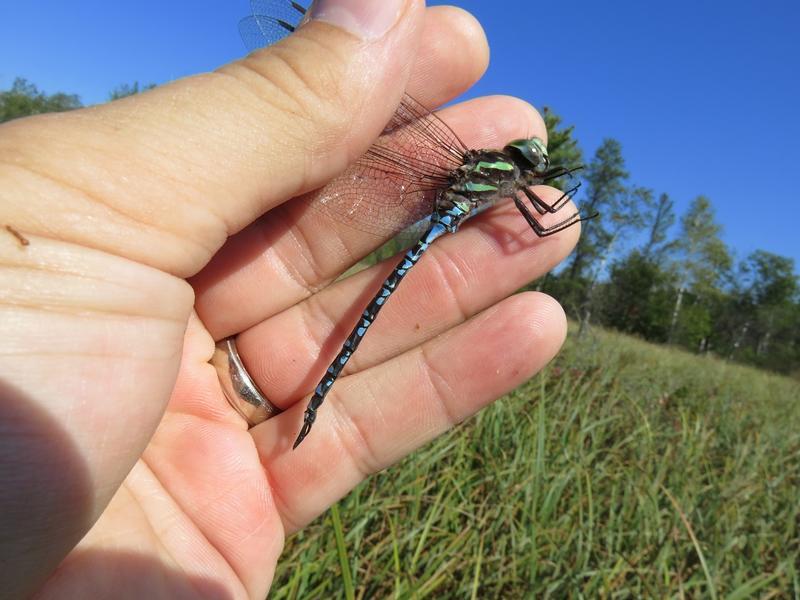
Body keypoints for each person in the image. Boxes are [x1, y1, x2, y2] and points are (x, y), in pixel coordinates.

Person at [0, 1, 579, 597]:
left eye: (531, 166)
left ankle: (314, 398)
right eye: (525, 164)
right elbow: (541, 223)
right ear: (514, 166)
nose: (529, 169)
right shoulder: (510, 182)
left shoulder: (497, 174)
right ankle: (314, 397)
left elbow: (541, 220)